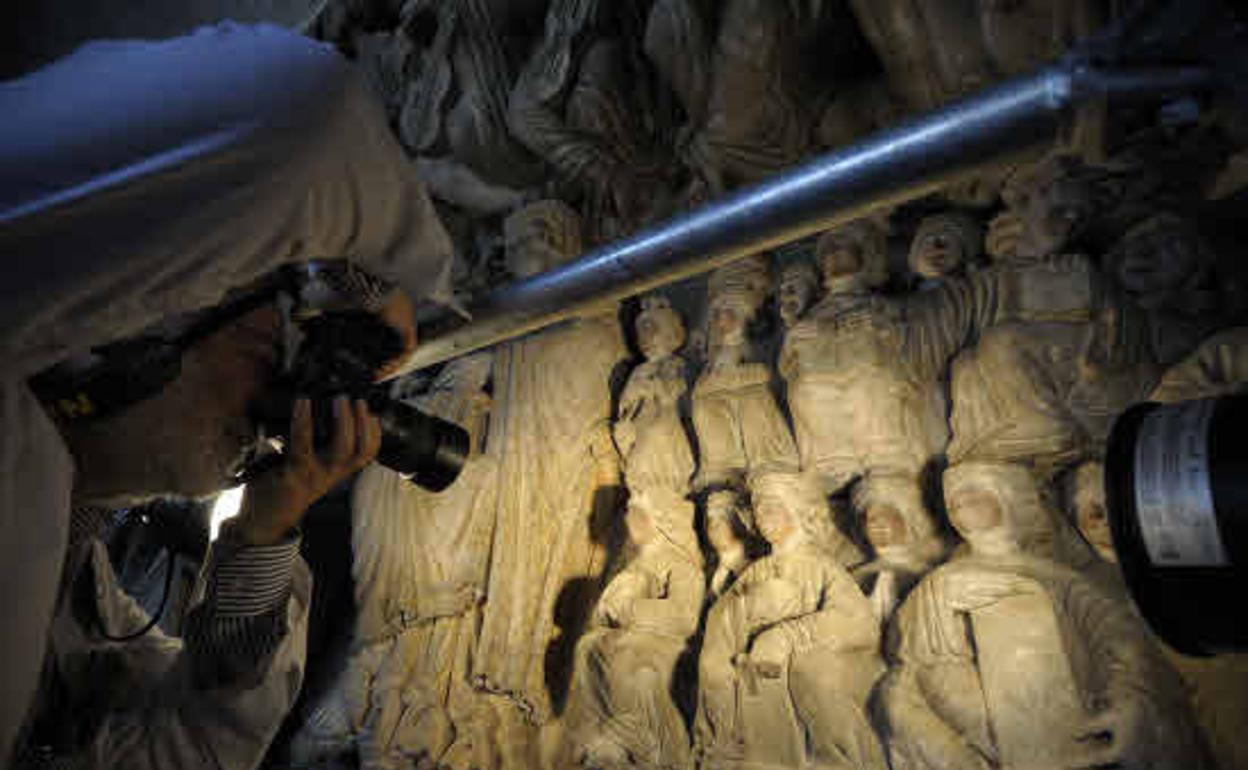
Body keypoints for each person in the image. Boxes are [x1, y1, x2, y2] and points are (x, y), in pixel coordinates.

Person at [1, 21, 456, 768]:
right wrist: (352, 279)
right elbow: (299, 115)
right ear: (120, 343)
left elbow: (181, 752)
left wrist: (264, 535)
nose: (270, 387)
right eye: (258, 342)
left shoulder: (60, 557)